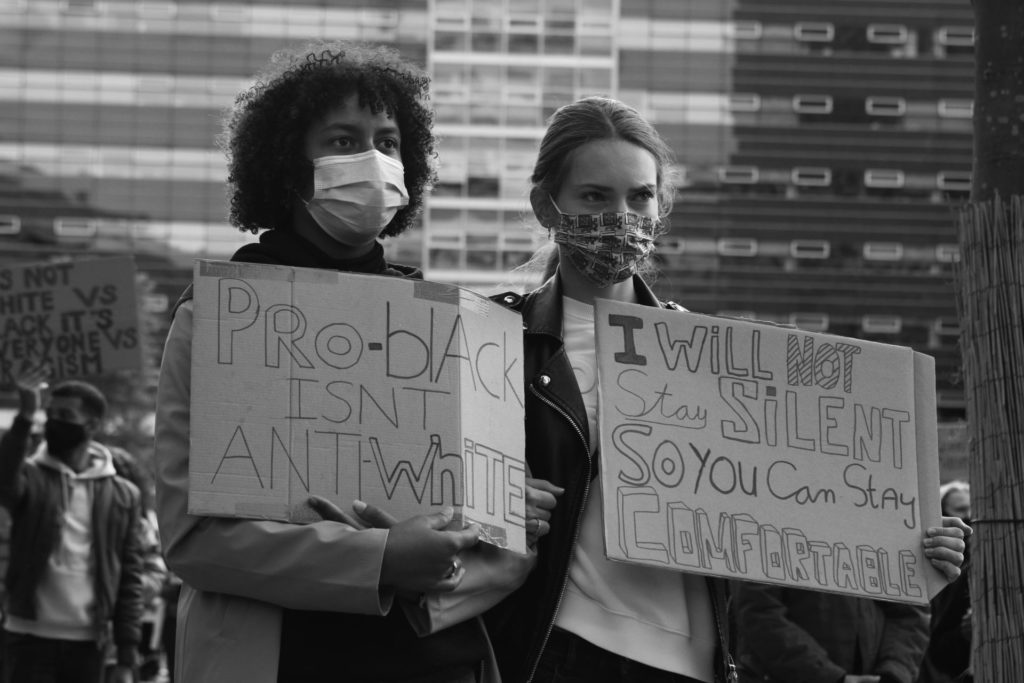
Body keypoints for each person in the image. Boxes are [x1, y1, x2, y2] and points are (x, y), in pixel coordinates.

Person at [483, 96, 969, 683]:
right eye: (594, 196)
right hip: (556, 653)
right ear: (546, 205)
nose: (622, 216)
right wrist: (489, 501)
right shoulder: (495, 341)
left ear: (661, 206)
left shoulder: (716, 358)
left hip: (699, 665)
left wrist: (911, 546)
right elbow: (425, 498)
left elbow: (803, 506)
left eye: (640, 196)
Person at [154, 40, 537, 683]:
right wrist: (379, 559)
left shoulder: (451, 329)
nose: (373, 159)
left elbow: (467, 524)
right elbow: (192, 541)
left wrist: (503, 509)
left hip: (434, 661)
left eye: (388, 142)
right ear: (285, 167)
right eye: (342, 140)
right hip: (283, 660)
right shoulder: (217, 319)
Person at [0, 364, 144, 683]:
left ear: (91, 425)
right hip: (26, 638)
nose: (53, 423)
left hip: (88, 644)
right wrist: (25, 416)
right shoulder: (31, 477)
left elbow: (129, 578)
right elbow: (5, 481)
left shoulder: (122, 495)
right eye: (50, 414)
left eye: (65, 417)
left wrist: (125, 656)